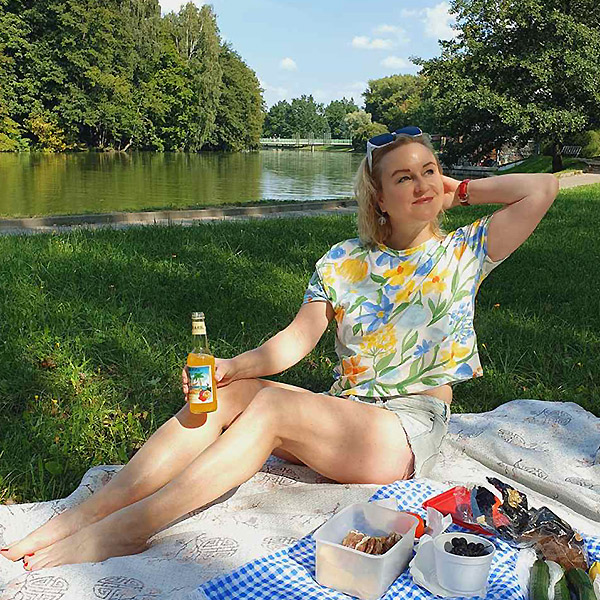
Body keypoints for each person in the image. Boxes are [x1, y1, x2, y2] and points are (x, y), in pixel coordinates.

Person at [1, 126, 559, 570]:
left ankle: (129, 529)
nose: (421, 184)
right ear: (379, 198)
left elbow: (543, 189)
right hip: (345, 415)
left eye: (429, 171)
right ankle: (90, 513)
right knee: (229, 394)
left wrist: (458, 189)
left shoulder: (464, 251)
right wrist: (232, 367)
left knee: (270, 406)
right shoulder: (343, 260)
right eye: (403, 177)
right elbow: (296, 339)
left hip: (404, 432)